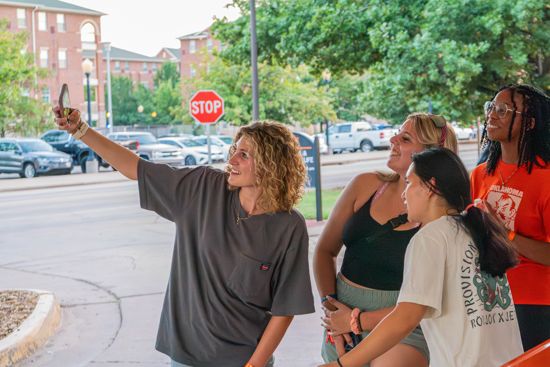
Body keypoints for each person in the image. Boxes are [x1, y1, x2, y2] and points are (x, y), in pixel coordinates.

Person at [53, 107, 315, 367]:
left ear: (271, 166)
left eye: (244, 155)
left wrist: (254, 365)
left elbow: (285, 308)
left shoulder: (289, 226)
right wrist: (80, 130)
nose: (232, 160)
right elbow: (136, 168)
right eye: (234, 150)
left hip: (245, 359)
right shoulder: (203, 188)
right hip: (186, 357)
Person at [319, 148, 523, 367]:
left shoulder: (431, 237)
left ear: (429, 187)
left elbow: (405, 318)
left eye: (409, 183)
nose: (404, 194)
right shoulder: (473, 230)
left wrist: (341, 364)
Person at [315, 113, 458, 367]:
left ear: (431, 153)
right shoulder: (366, 184)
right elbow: (325, 251)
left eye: (405, 138)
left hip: (403, 325)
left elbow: (426, 303)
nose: (392, 139)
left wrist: (357, 320)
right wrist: (331, 307)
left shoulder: (442, 215)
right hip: (341, 317)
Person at [471, 84, 550, 351]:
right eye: (491, 107)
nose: (492, 115)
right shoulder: (480, 174)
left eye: (503, 110)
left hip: (536, 304)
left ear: (528, 123)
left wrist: (506, 235)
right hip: (486, 297)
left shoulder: (546, 179)